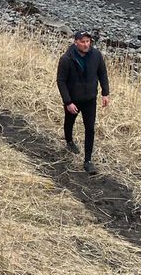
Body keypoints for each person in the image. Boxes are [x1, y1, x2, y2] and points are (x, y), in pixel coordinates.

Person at [56, 31, 110, 174]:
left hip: (90, 99)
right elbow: (61, 81)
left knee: (90, 128)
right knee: (69, 122)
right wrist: (68, 102)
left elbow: (102, 74)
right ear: (76, 42)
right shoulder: (67, 59)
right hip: (73, 100)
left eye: (88, 41)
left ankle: (88, 161)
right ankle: (69, 142)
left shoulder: (96, 55)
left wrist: (105, 93)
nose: (86, 44)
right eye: (83, 41)